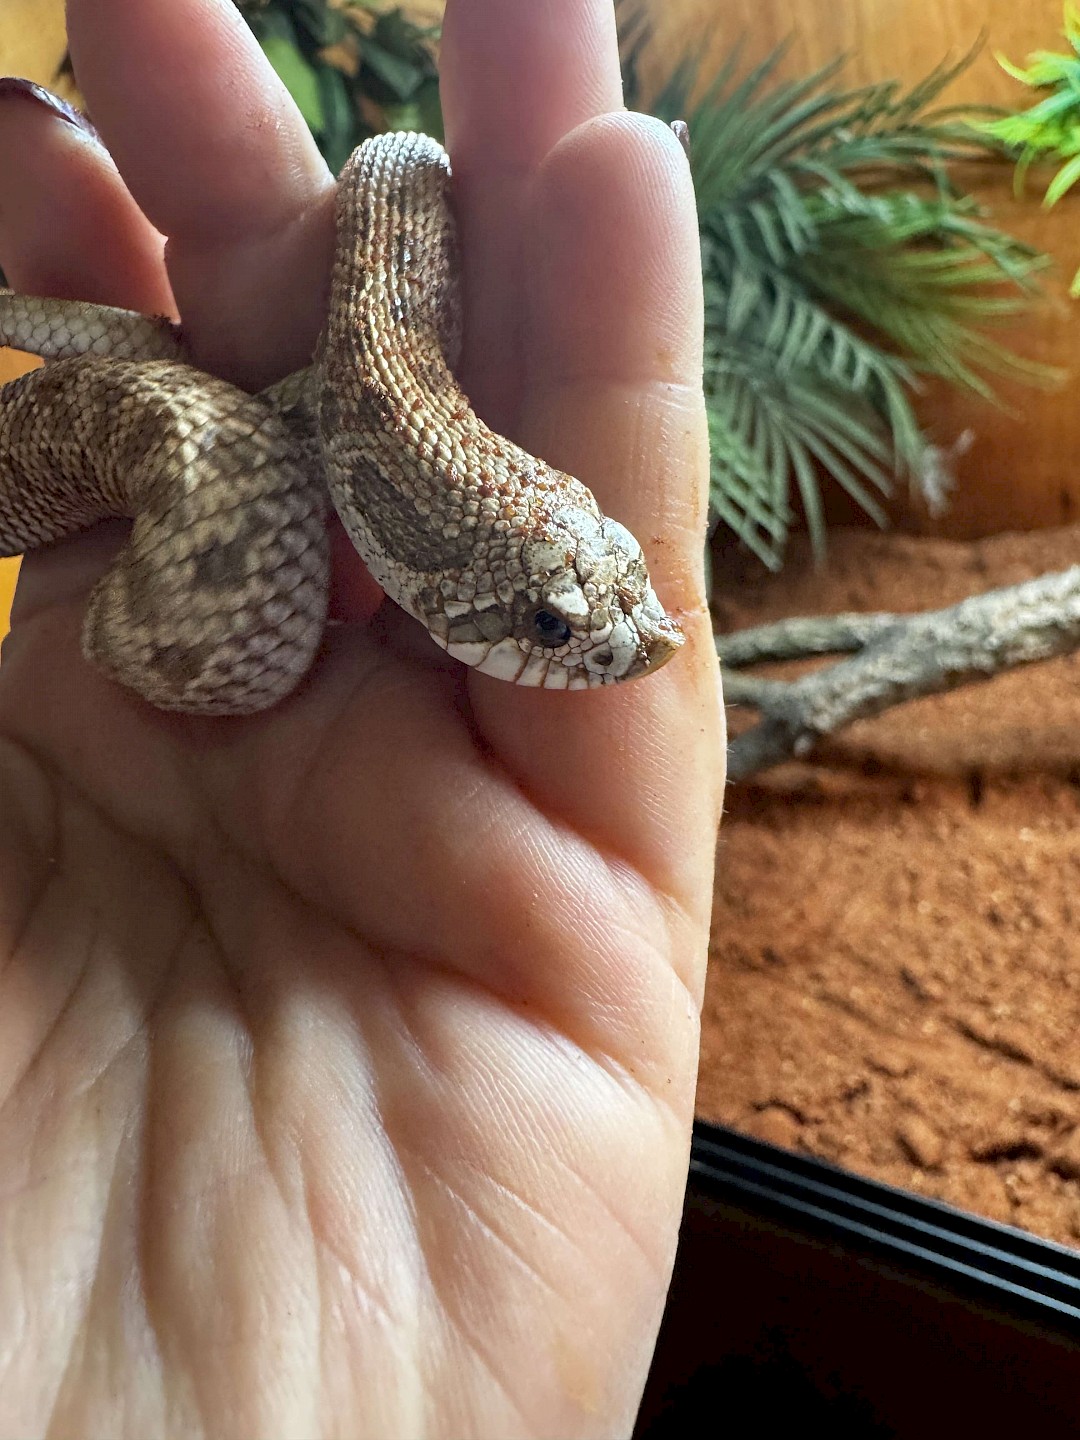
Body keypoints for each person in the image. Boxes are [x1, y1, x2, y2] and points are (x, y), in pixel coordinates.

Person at [0, 0, 724, 1432]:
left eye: (598, 598)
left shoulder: (379, 364)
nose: (628, 650)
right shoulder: (347, 418)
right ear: (437, 576)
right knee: (219, 441)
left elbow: (367, 316)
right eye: (558, 628)